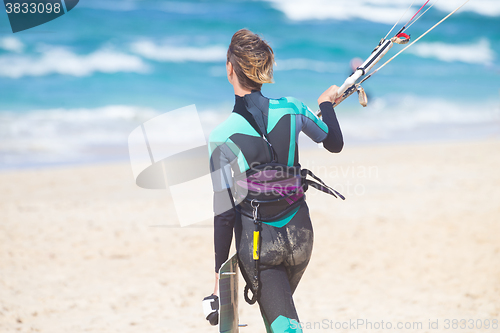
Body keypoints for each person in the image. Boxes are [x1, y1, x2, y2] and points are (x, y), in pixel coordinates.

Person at [204, 29, 344, 333]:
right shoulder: (293, 108)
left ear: (230, 69)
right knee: (278, 313)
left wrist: (218, 280)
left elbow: (224, 214)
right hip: (302, 235)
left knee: (285, 326)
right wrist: (327, 104)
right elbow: (333, 141)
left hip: (260, 246)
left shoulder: (221, 137)